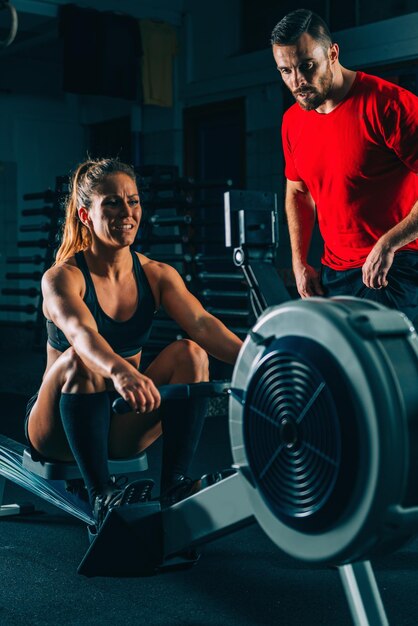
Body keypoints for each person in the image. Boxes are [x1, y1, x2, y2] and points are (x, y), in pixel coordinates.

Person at [25, 158, 243, 529]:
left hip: (119, 422)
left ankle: (174, 485)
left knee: (190, 353)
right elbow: (83, 334)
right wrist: (122, 371)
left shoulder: (157, 274)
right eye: (111, 202)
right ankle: (100, 495)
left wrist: (264, 364)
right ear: (85, 214)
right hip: (56, 429)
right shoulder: (62, 278)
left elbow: (204, 325)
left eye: (133, 201)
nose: (126, 212)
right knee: (82, 358)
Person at [271, 9, 418, 322]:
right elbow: (297, 191)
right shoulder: (292, 123)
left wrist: (390, 243)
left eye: (307, 67)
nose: (297, 81)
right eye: (286, 71)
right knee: (337, 368)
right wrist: (299, 262)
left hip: (397, 264)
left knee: (390, 369)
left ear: (332, 53)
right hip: (335, 274)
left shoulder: (389, 104)